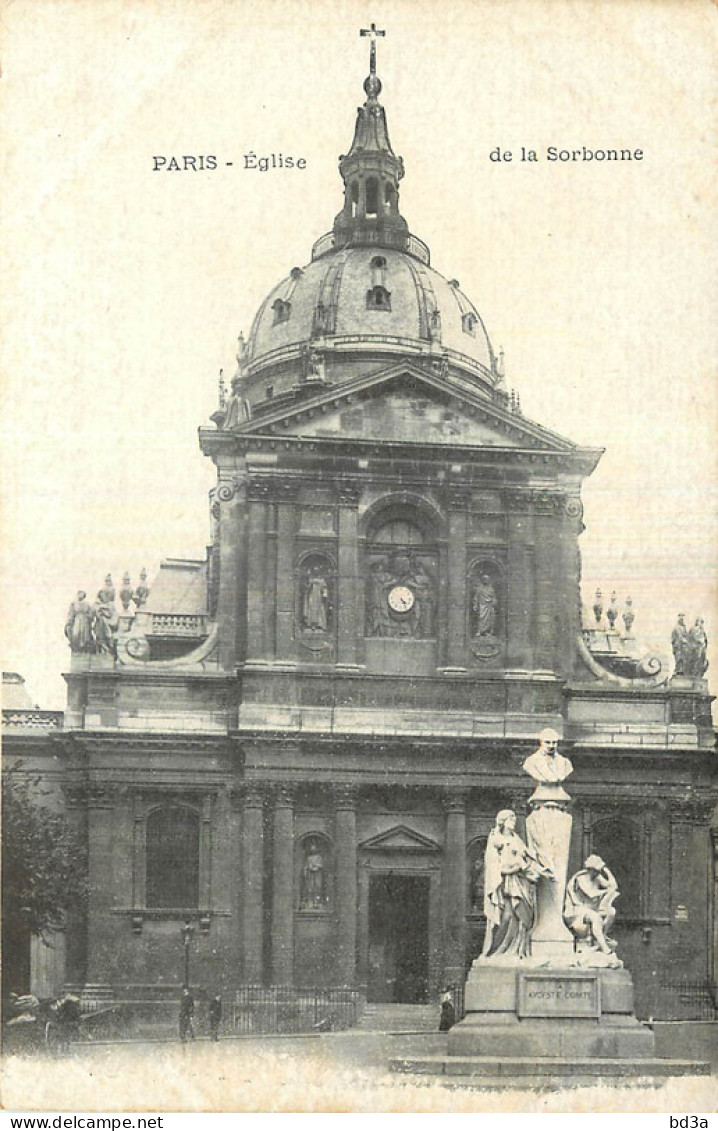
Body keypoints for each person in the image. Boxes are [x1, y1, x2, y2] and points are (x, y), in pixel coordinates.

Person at [481, 810, 551, 961]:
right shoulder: (496, 839)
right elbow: (494, 866)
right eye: (510, 818)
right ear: (502, 821)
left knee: (523, 917)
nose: (513, 821)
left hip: (522, 882)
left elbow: (529, 861)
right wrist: (516, 868)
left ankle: (517, 952)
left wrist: (542, 870)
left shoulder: (517, 840)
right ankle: (498, 952)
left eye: (514, 818)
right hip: (507, 883)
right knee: (507, 916)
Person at [564, 855, 620, 956]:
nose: (598, 873)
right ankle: (604, 947)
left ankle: (600, 938)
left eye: (598, 870)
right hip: (577, 909)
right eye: (596, 870)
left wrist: (606, 870)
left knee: (611, 912)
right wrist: (606, 892)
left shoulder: (597, 877)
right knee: (596, 917)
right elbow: (590, 893)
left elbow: (613, 886)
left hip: (591, 908)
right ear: (590, 869)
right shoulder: (581, 879)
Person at [303, 567, 329, 632]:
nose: (316, 572)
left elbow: (325, 588)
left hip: (319, 596)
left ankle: (320, 624)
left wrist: (325, 595)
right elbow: (308, 588)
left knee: (320, 609)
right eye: (315, 571)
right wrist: (308, 586)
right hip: (312, 596)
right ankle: (312, 625)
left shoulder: (322, 580)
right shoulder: (311, 579)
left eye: (317, 571)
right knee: (311, 609)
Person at [472, 574, 498, 638]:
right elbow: (476, 597)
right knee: (481, 618)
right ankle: (480, 631)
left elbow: (494, 597)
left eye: (487, 579)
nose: (485, 580)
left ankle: (487, 632)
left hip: (489, 606)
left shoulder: (491, 589)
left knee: (490, 619)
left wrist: (494, 602)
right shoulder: (479, 589)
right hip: (481, 606)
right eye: (484, 579)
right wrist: (475, 605)